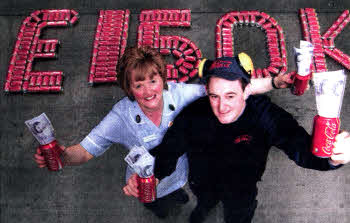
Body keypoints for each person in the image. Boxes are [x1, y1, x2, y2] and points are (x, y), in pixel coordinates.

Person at [34, 47, 293, 218]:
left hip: (181, 174)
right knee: (159, 207)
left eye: (153, 80)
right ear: (129, 87)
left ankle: (177, 194)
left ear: (163, 79)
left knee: (181, 193)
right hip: (147, 185)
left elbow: (233, 87)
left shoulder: (181, 95)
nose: (148, 91)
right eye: (138, 84)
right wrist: (62, 155)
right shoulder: (120, 116)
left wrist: (274, 82)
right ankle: (160, 209)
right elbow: (85, 151)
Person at [124, 55, 350, 223]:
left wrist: (333, 158)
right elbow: (169, 149)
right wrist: (152, 175)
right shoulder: (195, 113)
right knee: (204, 203)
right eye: (214, 96)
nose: (221, 107)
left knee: (239, 216)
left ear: (247, 90)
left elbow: (302, 151)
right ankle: (203, 209)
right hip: (203, 183)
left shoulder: (265, 115)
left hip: (242, 189)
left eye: (230, 96)